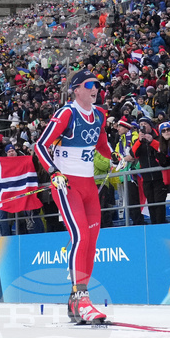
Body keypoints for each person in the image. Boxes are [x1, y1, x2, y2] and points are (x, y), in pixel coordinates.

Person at [35, 70, 113, 324]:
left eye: (97, 85)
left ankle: (76, 301)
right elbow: (40, 145)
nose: (95, 89)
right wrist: (53, 171)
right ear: (76, 90)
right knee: (80, 237)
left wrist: (114, 155)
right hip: (67, 184)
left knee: (91, 241)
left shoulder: (99, 114)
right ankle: (82, 300)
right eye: (89, 85)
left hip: (89, 185)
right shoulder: (67, 113)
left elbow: (101, 143)